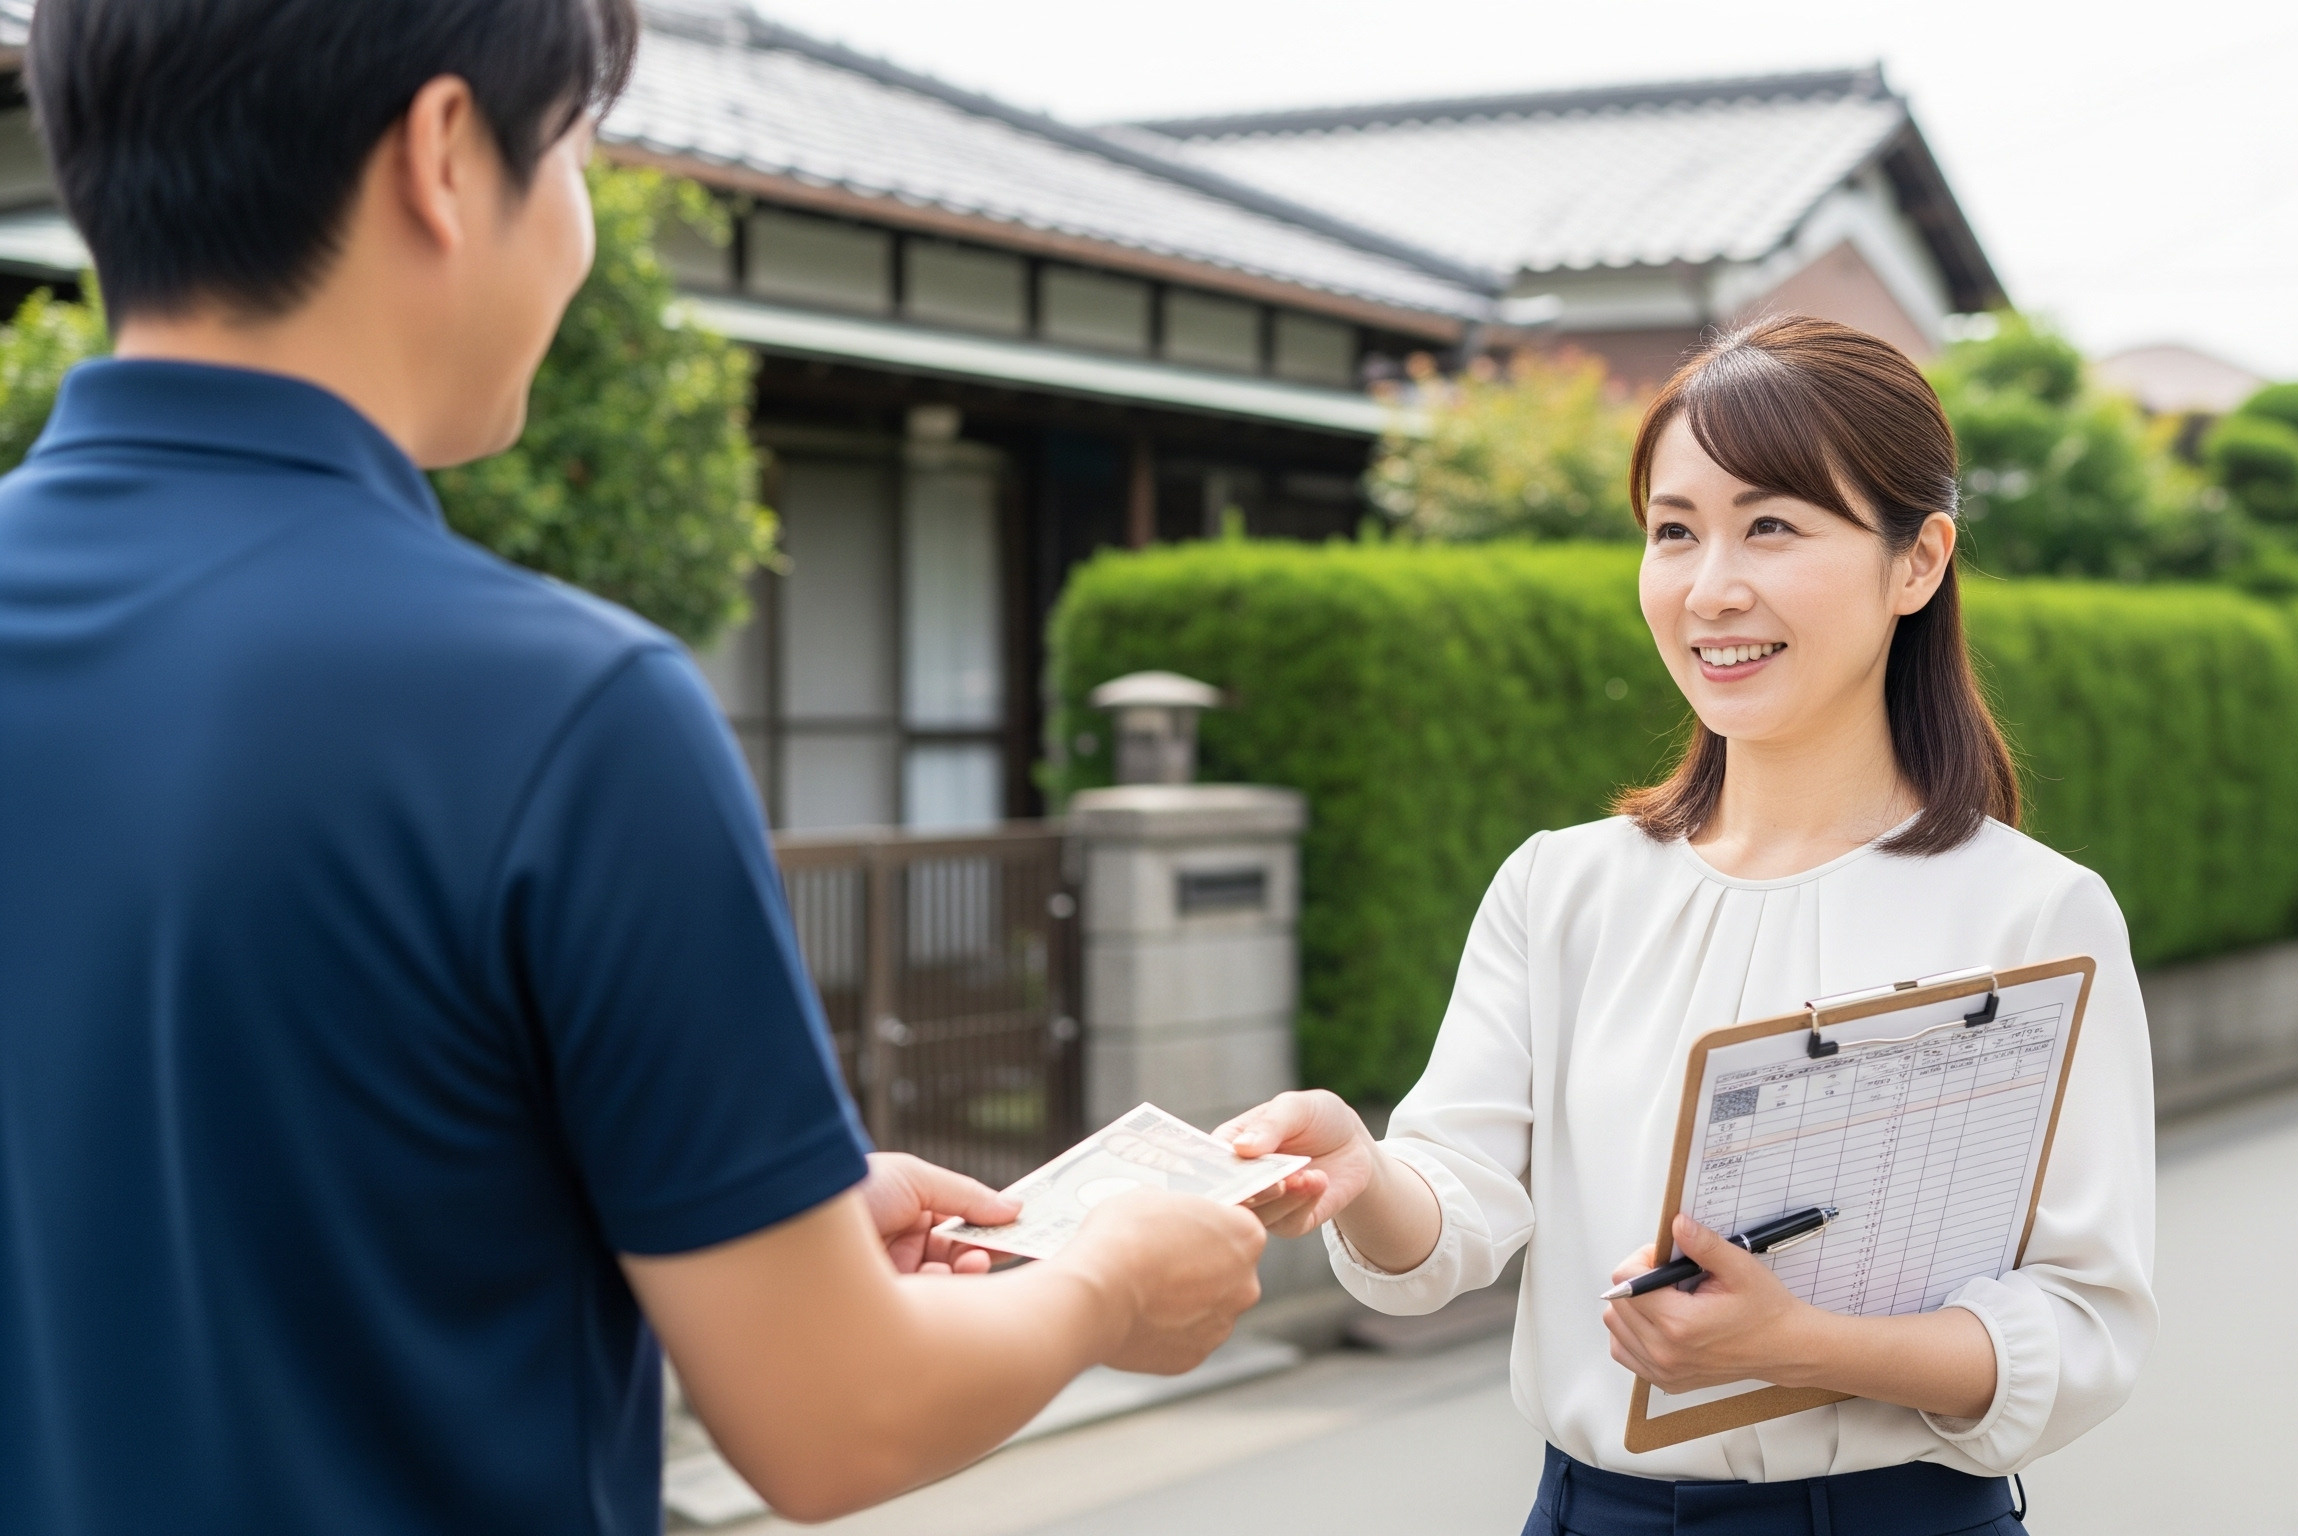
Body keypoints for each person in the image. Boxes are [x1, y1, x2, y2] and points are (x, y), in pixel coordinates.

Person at [0, 3, 1265, 1531]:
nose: (581, 237)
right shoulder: (561, 710)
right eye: (576, 157)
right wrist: (1109, 1281)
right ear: (445, 156)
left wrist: (746, 1220)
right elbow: (837, 1417)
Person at [1224, 318, 2156, 1534]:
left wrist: (1800, 1344)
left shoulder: (2032, 911)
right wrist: (1361, 1171)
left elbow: (2081, 1327)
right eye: (1673, 531)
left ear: (1917, 562)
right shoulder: (1562, 889)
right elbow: (1450, 1216)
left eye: (1770, 526)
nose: (1709, 588)